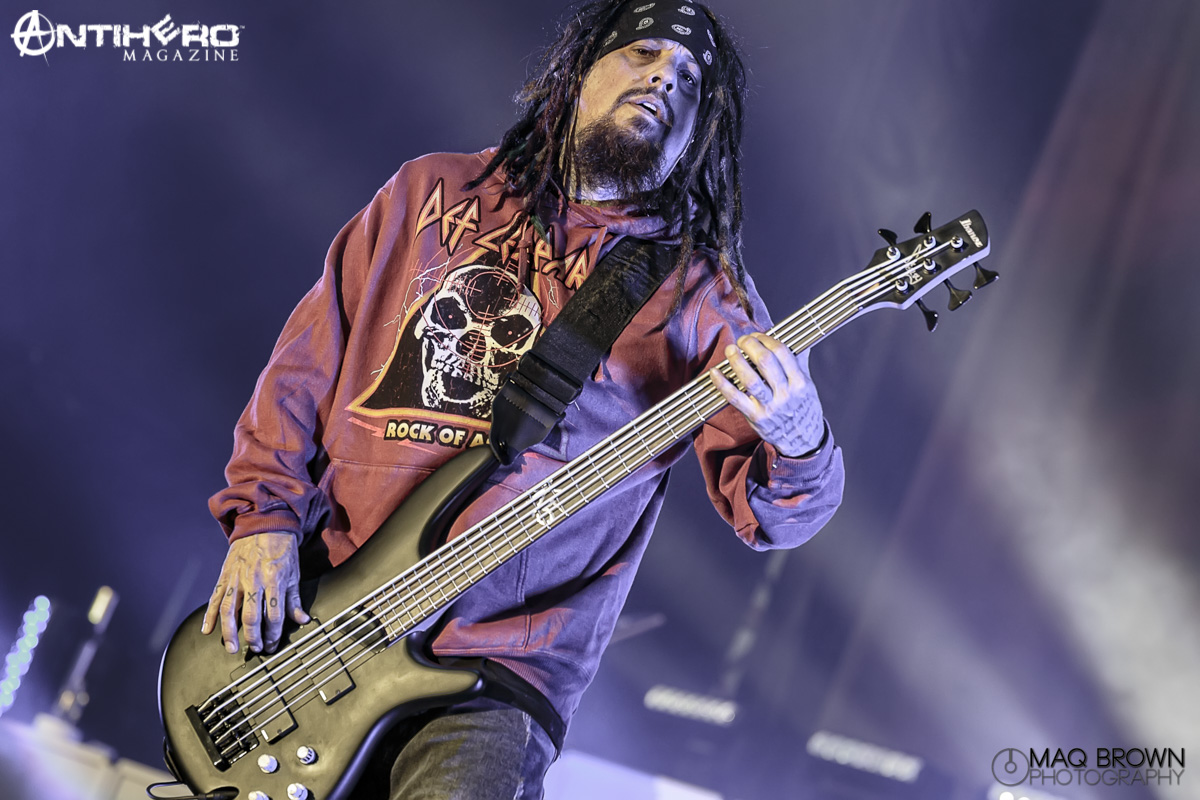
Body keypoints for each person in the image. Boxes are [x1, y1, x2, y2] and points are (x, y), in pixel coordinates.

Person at [200, 1, 845, 797]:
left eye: (688, 82)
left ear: (696, 136)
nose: (663, 81)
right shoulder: (427, 192)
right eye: (643, 54)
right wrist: (263, 519)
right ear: (578, 70)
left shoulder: (698, 293)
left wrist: (801, 436)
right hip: (324, 611)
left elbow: (777, 516)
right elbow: (303, 369)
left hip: (497, 675)